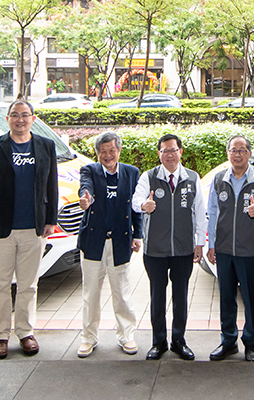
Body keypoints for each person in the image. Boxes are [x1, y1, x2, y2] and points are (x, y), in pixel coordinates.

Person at [0, 100, 58, 360]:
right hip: (0, 228)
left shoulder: (45, 145)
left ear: (33, 118)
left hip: (33, 228)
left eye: (25, 115)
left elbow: (51, 185)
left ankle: (25, 333)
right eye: (15, 115)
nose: (20, 120)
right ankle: (0, 336)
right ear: (7, 118)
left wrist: (50, 219)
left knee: (29, 285)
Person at [132, 133, 207, 361]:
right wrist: (144, 205)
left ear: (180, 152)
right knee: (157, 295)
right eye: (165, 151)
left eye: (173, 150)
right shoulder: (149, 177)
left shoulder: (192, 178)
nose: (169, 155)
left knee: (181, 296)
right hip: (155, 250)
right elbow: (135, 200)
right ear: (159, 154)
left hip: (183, 249)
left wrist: (200, 243)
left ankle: (179, 341)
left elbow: (200, 214)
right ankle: (158, 342)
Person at [76, 131, 143, 358]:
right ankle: (88, 338)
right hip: (94, 241)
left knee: (122, 292)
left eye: (111, 151)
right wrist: (85, 200)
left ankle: (126, 335)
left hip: (121, 241)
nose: (107, 155)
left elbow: (136, 207)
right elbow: (86, 189)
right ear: (97, 153)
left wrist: (138, 234)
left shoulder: (132, 173)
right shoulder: (90, 171)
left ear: (119, 151)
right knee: (90, 294)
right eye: (102, 152)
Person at [206, 135, 254, 362]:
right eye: (233, 150)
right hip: (224, 250)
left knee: (250, 298)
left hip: (250, 251)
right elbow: (212, 214)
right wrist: (211, 245)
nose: (237, 154)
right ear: (228, 153)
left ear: (249, 154)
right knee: (226, 297)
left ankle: (251, 342)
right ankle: (228, 341)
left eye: (242, 150)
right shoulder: (218, 180)